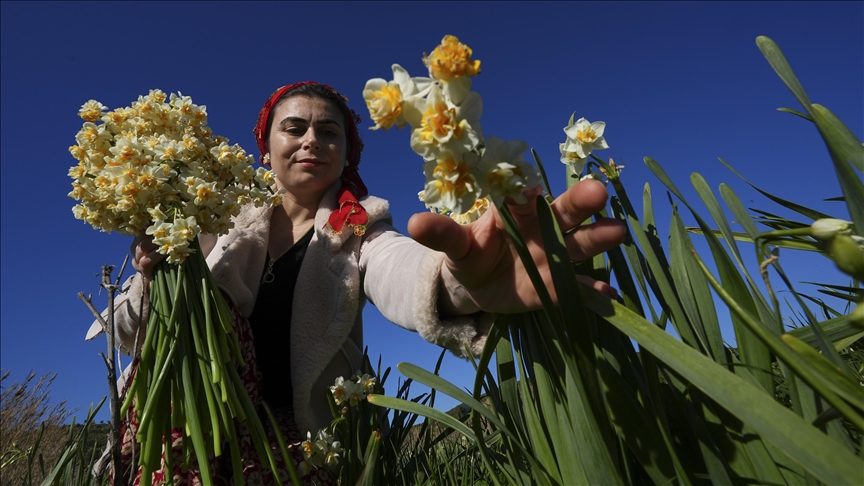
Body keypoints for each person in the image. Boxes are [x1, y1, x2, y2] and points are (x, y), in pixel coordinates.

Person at [87, 81, 625, 485]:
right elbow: (129, 335)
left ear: (347, 153)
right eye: (294, 127)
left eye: (330, 132)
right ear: (266, 146)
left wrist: (458, 283)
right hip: (185, 428)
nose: (311, 141)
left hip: (296, 445)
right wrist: (155, 276)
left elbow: (401, 269)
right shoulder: (209, 221)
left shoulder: (361, 226)